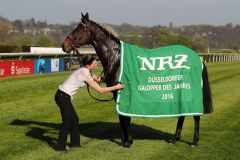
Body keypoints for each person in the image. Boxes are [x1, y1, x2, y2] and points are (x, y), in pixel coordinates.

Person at [54, 55, 124, 151]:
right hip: (62, 97)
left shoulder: (85, 70)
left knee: (74, 120)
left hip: (63, 96)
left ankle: (75, 144)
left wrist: (113, 80)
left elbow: (98, 79)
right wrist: (116, 87)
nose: (96, 64)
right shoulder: (85, 74)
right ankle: (60, 147)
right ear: (88, 65)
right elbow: (100, 90)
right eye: (94, 63)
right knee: (67, 122)